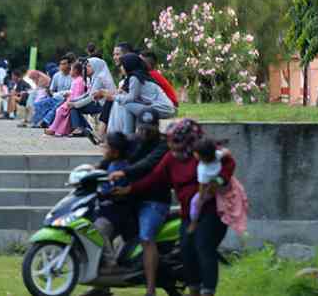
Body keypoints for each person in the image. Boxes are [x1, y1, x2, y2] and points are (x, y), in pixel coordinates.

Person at [115, 119, 236, 296]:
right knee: (187, 251)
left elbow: (228, 163)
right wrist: (130, 189)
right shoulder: (171, 157)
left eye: (175, 141)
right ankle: (194, 289)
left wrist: (217, 181)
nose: (171, 145)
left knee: (204, 248)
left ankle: (208, 291)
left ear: (188, 140)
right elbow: (154, 178)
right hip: (188, 213)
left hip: (212, 211)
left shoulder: (203, 151)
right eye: (170, 141)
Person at [108, 109, 171, 296]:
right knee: (106, 229)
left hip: (154, 201)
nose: (145, 133)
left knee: (146, 238)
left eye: (149, 129)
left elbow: (148, 165)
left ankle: (150, 289)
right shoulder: (134, 141)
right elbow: (116, 152)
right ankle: (103, 285)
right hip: (131, 199)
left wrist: (125, 173)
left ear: (157, 127)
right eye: (142, 128)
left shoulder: (163, 145)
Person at [93, 132, 136, 275]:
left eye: (106, 147)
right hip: (108, 210)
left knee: (98, 230)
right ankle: (101, 287)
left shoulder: (122, 168)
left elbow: (114, 191)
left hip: (119, 213)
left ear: (115, 152)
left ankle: (112, 265)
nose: (103, 149)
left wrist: (105, 192)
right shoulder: (110, 164)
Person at [189, 138, 248, 235]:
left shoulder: (203, 170)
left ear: (199, 156)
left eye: (194, 152)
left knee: (194, 202)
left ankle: (193, 221)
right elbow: (227, 152)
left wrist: (201, 197)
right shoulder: (217, 155)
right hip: (227, 183)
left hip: (213, 187)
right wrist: (224, 152)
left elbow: (202, 187)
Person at [108, 53, 175, 135]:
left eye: (122, 65)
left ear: (129, 65)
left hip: (163, 109)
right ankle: (129, 135)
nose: (121, 68)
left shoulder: (135, 78)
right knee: (127, 104)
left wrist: (113, 97)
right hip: (163, 108)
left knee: (126, 104)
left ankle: (128, 136)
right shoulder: (139, 76)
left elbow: (130, 98)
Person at [69, 57, 116, 139]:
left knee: (74, 108)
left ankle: (79, 128)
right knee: (73, 106)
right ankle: (84, 128)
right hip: (98, 103)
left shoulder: (99, 78)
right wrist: (73, 100)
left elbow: (91, 97)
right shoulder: (95, 76)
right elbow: (88, 93)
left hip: (103, 105)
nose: (86, 68)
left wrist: (75, 104)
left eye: (89, 66)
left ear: (96, 66)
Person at [32, 54, 74, 128]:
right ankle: (36, 121)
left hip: (67, 99)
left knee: (58, 105)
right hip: (56, 97)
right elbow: (51, 90)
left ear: (69, 65)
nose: (62, 66)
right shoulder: (56, 75)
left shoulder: (73, 76)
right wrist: (53, 94)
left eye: (64, 64)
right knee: (39, 104)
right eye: (61, 64)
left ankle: (46, 121)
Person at [46, 61, 85, 136]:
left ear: (75, 71)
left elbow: (78, 94)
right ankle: (54, 128)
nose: (70, 71)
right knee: (59, 110)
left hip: (72, 101)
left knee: (60, 110)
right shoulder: (76, 80)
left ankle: (53, 128)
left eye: (71, 69)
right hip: (70, 100)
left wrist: (70, 99)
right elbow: (73, 92)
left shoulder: (79, 81)